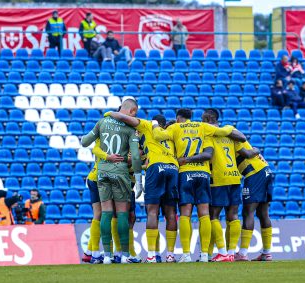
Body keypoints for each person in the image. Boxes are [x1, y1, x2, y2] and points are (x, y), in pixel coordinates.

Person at [150, 108, 245, 263]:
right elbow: (223, 131)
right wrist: (229, 127)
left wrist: (154, 124)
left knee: (185, 213)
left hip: (185, 173)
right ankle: (205, 255)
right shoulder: (202, 127)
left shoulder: (176, 127)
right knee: (205, 214)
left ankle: (186, 254)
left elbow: (158, 135)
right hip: (203, 173)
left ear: (178, 118)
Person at [104, 111, 180, 263]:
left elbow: (125, 118)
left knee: (152, 211)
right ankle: (170, 255)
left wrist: (110, 113)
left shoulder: (146, 125)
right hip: (173, 168)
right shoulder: (170, 132)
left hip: (156, 167)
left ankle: (151, 255)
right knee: (171, 212)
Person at [80, 98, 143, 264]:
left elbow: (85, 142)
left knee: (106, 212)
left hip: (102, 173)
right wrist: (138, 179)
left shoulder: (102, 122)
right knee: (122, 213)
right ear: (132, 111)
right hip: (120, 172)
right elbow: (136, 157)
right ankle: (124, 255)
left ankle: (106, 255)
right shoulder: (131, 129)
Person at [202, 108, 246, 262]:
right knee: (233, 215)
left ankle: (222, 252)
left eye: (202, 119)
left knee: (213, 215)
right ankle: (231, 252)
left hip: (219, 178)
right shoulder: (231, 135)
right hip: (234, 177)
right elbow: (244, 149)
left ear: (208, 119)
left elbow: (208, 155)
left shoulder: (209, 135)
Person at [81, 141, 123, 264]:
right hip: (102, 179)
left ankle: (90, 252)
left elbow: (94, 148)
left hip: (93, 176)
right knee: (107, 214)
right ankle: (106, 253)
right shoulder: (114, 139)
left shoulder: (102, 138)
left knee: (98, 214)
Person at [234, 141, 274, 261]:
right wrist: (256, 150)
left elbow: (247, 154)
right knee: (263, 213)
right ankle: (267, 253)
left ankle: (242, 253)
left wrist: (256, 150)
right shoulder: (237, 138)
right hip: (266, 170)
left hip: (255, 173)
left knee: (248, 212)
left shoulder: (231, 138)